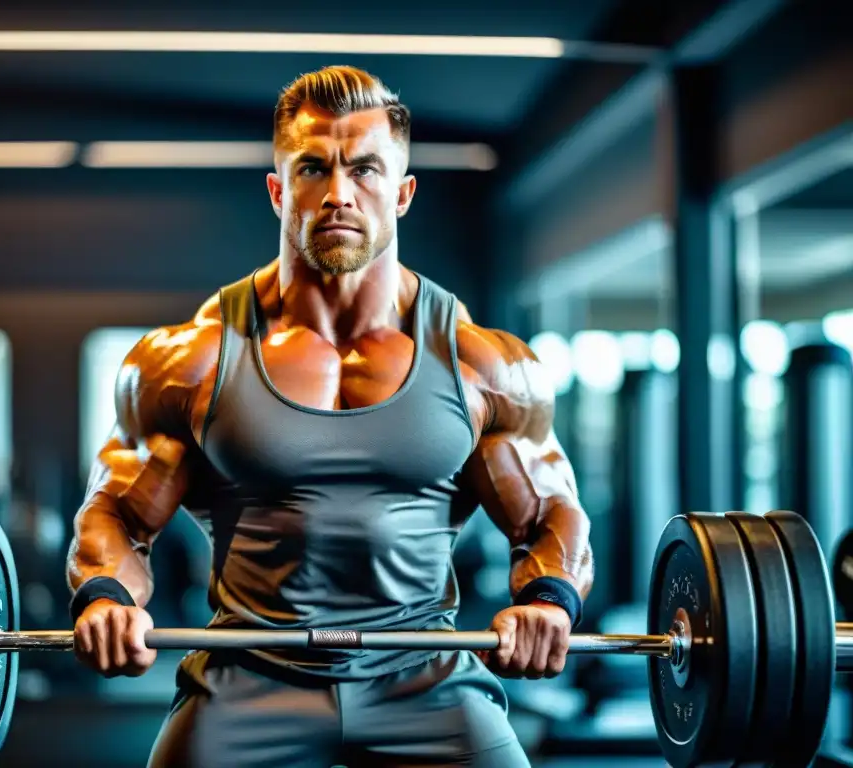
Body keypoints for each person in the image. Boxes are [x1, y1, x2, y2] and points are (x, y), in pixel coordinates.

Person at [66, 65, 594, 768]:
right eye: (314, 167)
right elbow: (116, 515)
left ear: (403, 193)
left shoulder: (484, 365)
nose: (340, 193)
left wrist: (551, 602)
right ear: (279, 190)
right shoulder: (187, 361)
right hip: (247, 679)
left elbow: (551, 514)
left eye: (366, 169)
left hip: (427, 678)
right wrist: (105, 596)